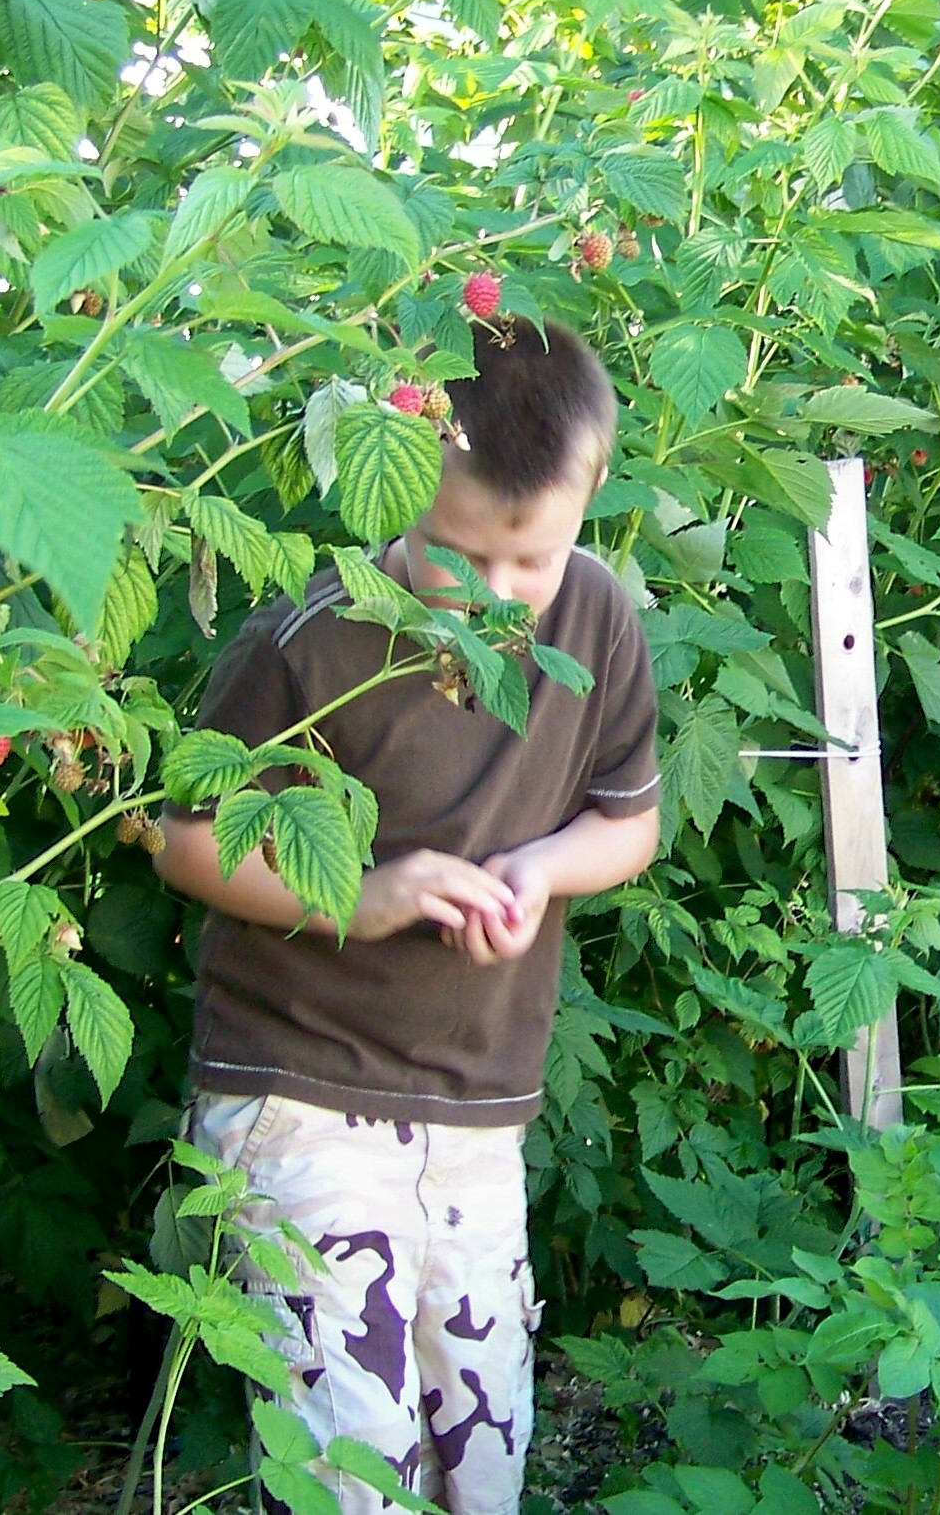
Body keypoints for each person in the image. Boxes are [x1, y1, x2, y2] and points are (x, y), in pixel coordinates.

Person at [153, 316, 662, 1514]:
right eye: (454, 553)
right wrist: (363, 895)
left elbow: (627, 820)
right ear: (401, 485)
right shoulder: (312, 635)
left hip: (478, 1106)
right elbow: (181, 837)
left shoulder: (598, 620)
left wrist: (539, 868)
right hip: (300, 1096)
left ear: (590, 498)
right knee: (350, 1456)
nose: (492, 596)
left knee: (485, 1446)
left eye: (528, 560)